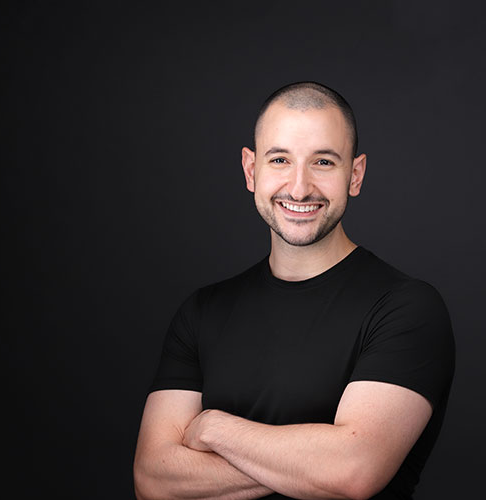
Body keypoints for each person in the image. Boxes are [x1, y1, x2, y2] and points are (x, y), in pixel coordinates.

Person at [133, 81, 455, 500]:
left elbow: (352, 470)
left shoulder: (406, 308)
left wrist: (215, 428)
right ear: (251, 171)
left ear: (354, 175)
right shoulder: (203, 311)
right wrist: (309, 459)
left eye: (323, 161)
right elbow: (154, 480)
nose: (299, 188)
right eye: (280, 159)